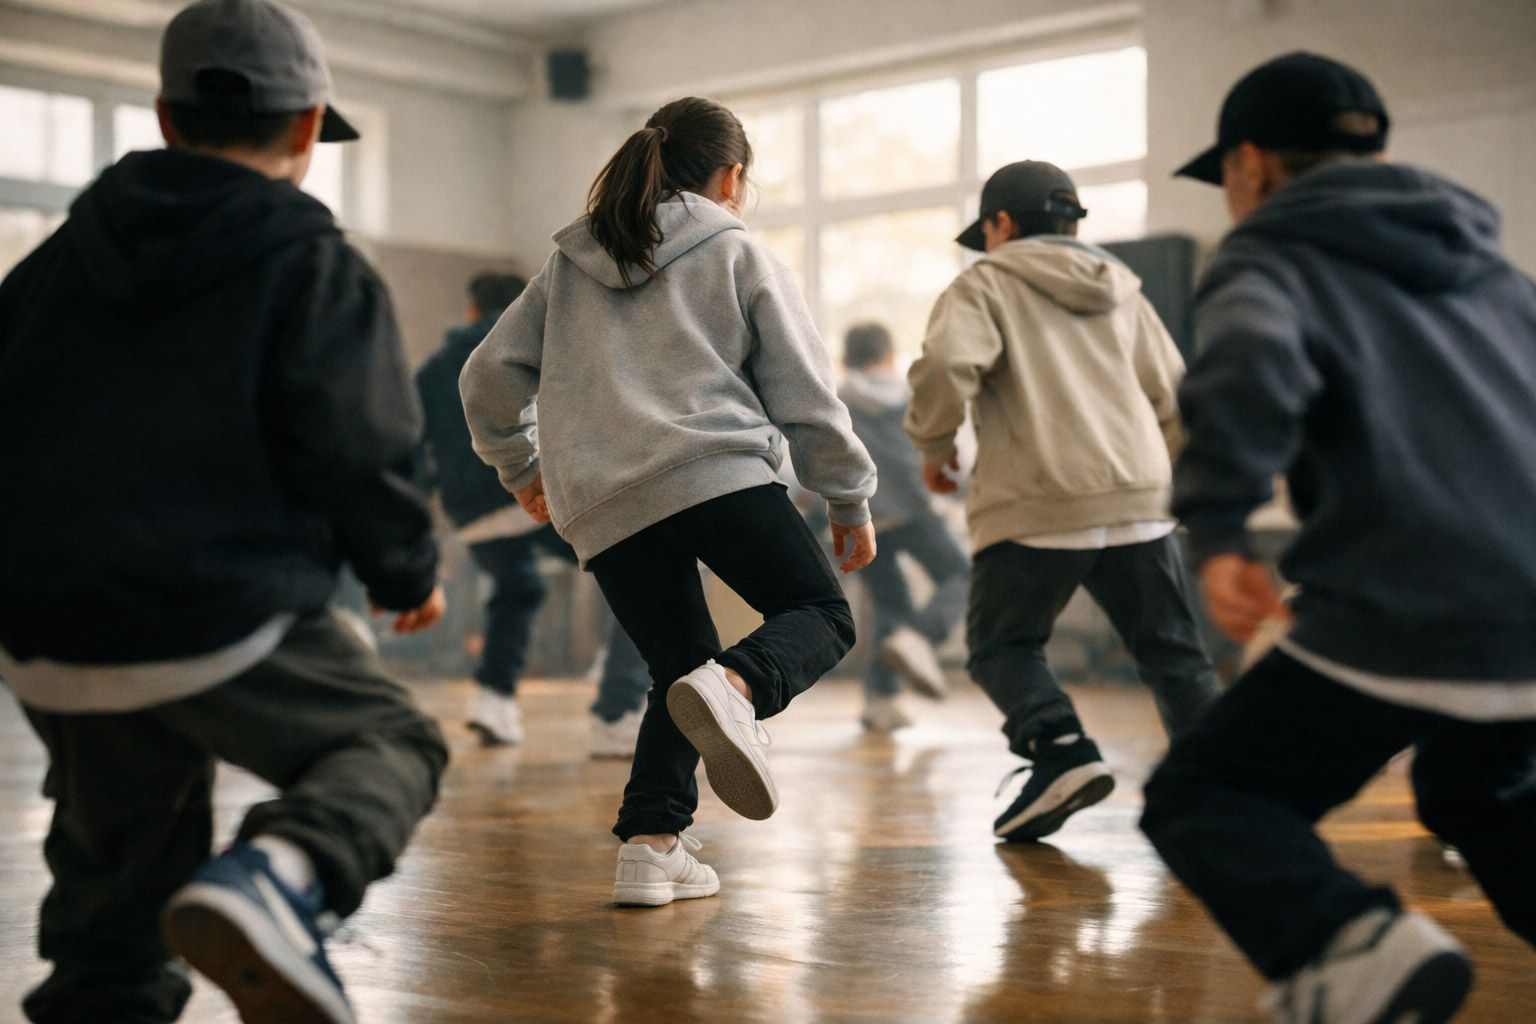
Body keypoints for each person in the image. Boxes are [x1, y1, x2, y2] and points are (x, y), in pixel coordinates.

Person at [0, 1, 449, 1021]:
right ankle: (281, 878)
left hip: (46, 629)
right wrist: (405, 573)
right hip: (210, 608)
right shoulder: (312, 260)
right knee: (391, 743)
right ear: (309, 127)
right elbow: (360, 441)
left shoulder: (48, 267)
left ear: (166, 116)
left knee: (117, 897)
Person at [1139, 51, 1536, 1024]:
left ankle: (1352, 947)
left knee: (1206, 791)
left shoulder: (1269, 254)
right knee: (1478, 789)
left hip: (1415, 593)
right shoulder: (1492, 268)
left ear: (1250, 164)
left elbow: (1250, 363)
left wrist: (1221, 524)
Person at [461, 96, 877, 907]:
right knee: (821, 615)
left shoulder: (569, 266)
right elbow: (804, 391)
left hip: (604, 502)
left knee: (678, 670)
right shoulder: (736, 251)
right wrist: (848, 497)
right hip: (715, 471)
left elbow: (485, 378)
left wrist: (521, 468)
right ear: (731, 176)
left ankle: (651, 848)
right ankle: (739, 687)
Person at [906, 159, 1221, 845]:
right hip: (1140, 500)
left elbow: (946, 366)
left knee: (1001, 645)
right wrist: (1180, 486)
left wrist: (934, 446)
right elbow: (1175, 394)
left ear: (1001, 224)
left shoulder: (985, 283)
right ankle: (1227, 789)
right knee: (1175, 656)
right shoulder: (1124, 291)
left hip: (1037, 501)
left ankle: (1061, 750)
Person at [416, 271, 650, 755]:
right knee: (640, 574)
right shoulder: (533, 344)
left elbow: (415, 448)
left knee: (519, 588)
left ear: (471, 309)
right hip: (532, 492)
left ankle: (493, 700)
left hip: (470, 514)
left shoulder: (432, 368)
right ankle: (618, 711)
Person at [838, 322, 969, 731]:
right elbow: (939, 448)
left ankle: (880, 703)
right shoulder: (911, 394)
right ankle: (920, 637)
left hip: (860, 516)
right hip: (914, 509)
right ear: (890, 356)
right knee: (962, 575)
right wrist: (962, 491)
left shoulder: (837, 399)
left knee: (890, 605)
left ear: (846, 359)